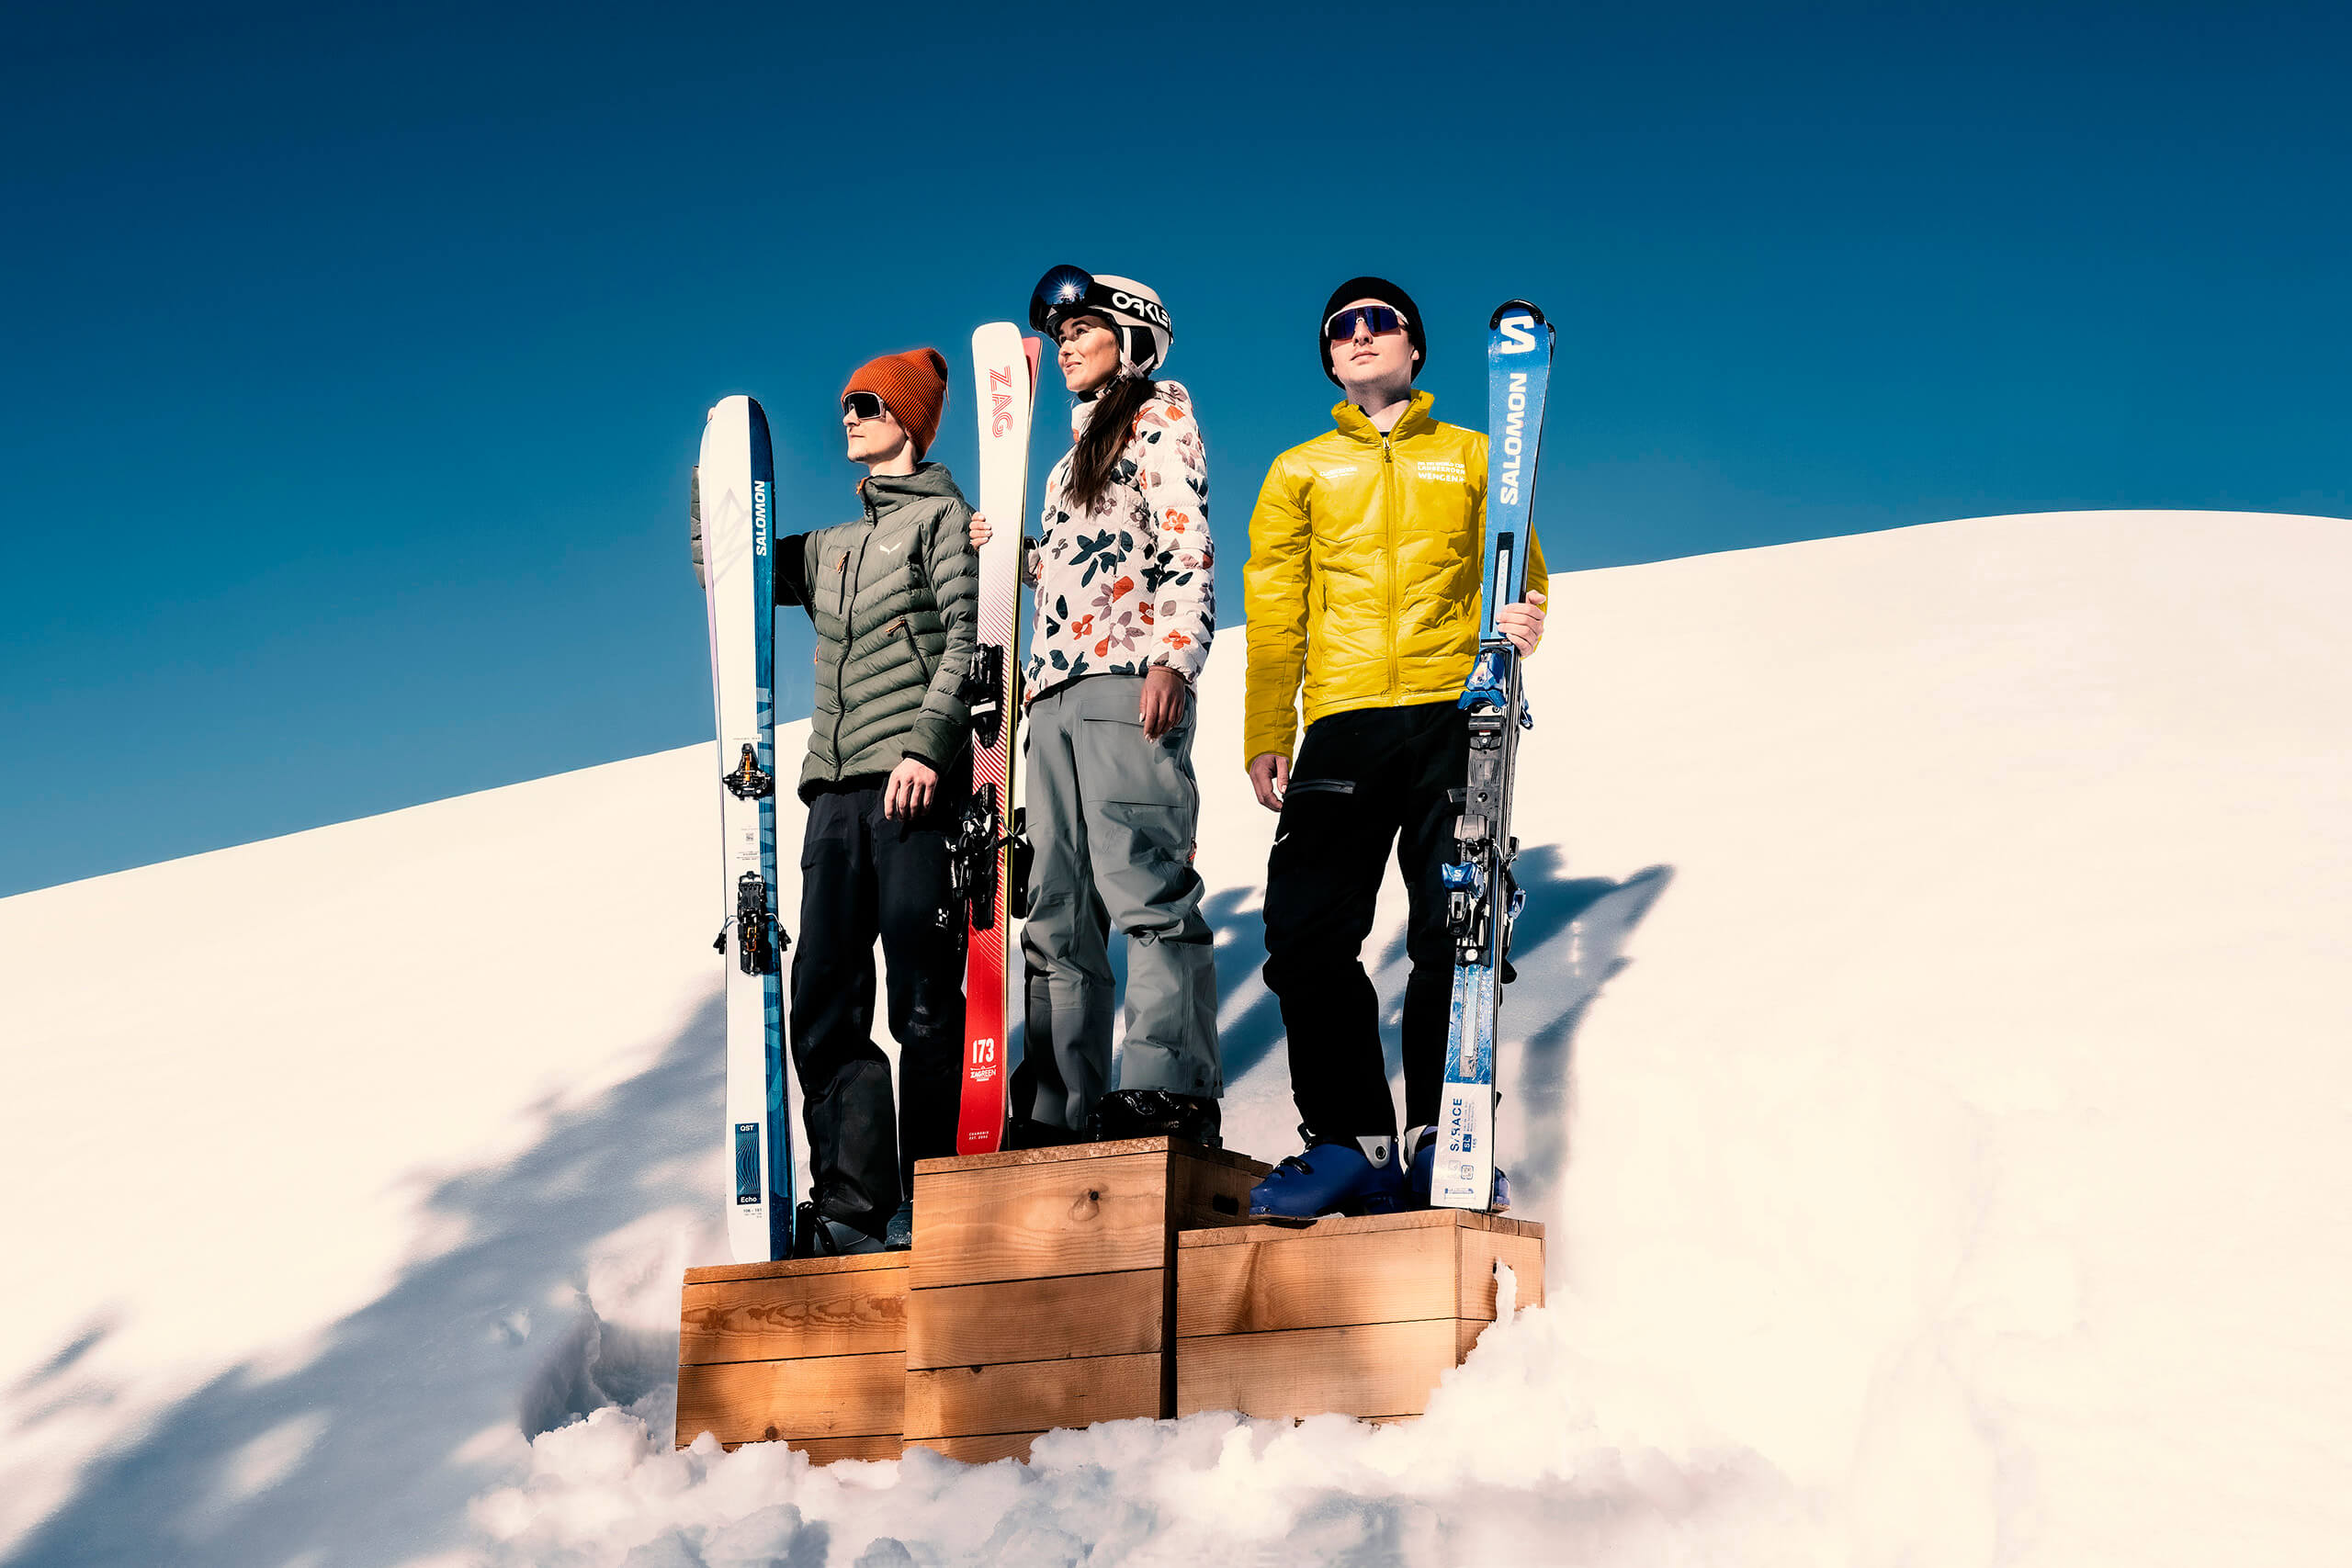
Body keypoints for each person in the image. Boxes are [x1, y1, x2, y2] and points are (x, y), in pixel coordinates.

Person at [1241, 276, 1549, 1218]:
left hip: (1451, 713)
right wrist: (1266, 727)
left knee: (1450, 925)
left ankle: (1439, 1136)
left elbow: (1519, 569)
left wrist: (1527, 619)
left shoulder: (1471, 455)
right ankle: (1348, 1141)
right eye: (1343, 329)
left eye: (1383, 323)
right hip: (1340, 721)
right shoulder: (1299, 470)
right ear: (1330, 358)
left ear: (1414, 350)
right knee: (1303, 936)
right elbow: (1275, 608)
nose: (1363, 335)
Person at [968, 265, 1221, 1147]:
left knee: (1145, 885)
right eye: (1058, 334)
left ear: (1134, 331)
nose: (1065, 344)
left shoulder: (1158, 416)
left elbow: (1186, 540)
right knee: (1058, 909)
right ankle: (1059, 1108)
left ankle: (1169, 1082)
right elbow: (1082, 565)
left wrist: (1176, 659)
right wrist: (1014, 553)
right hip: (1053, 693)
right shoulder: (1071, 455)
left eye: (1082, 329)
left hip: (1128, 682)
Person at [775, 347, 977, 1253]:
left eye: (866, 403)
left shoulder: (944, 522)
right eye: (847, 404)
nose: (848, 417)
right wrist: (716, 487)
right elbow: (729, 571)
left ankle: (929, 1199)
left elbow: (969, 644)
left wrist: (926, 746)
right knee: (822, 998)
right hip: (834, 798)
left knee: (924, 997)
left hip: (913, 788)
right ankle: (853, 1202)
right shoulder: (831, 548)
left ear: (906, 419)